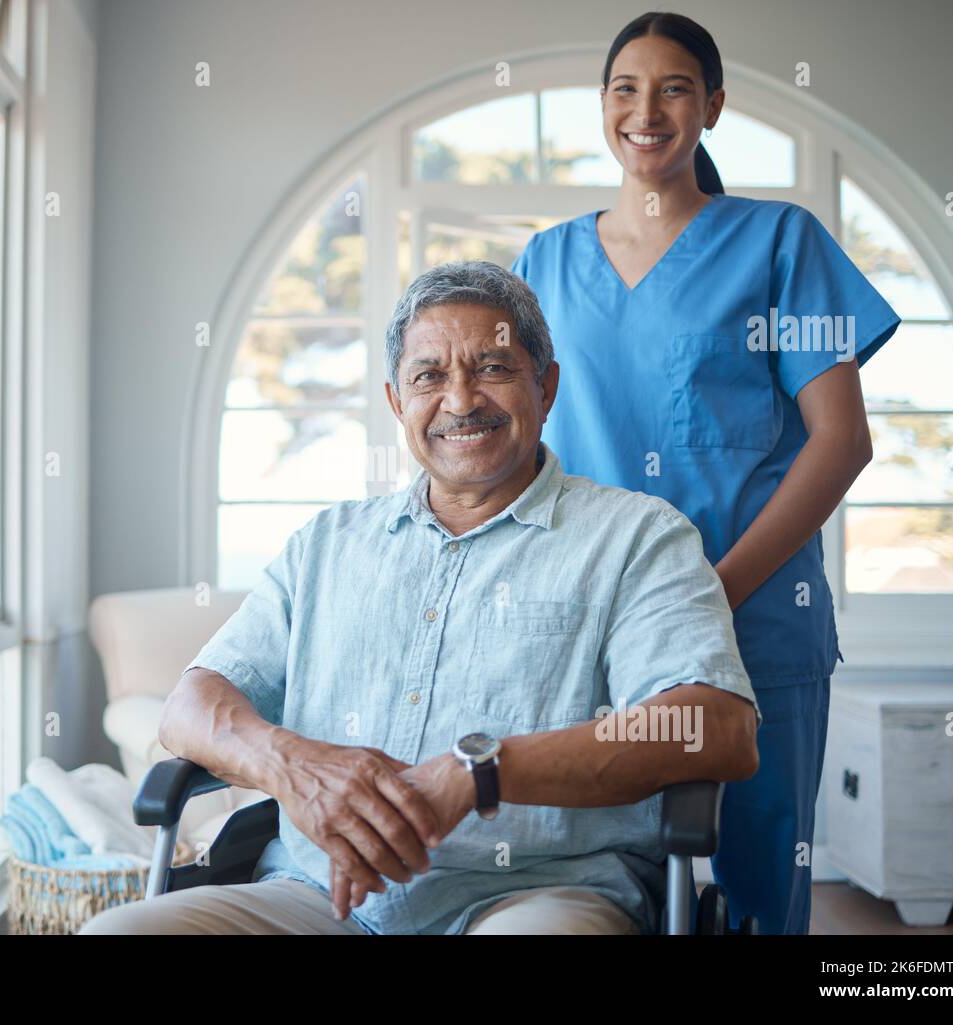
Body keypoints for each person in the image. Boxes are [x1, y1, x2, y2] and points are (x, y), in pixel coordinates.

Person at [80, 260, 761, 937]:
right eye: (429, 375)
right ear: (396, 400)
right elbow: (190, 706)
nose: (461, 400)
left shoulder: (636, 537)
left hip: (539, 893)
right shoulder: (324, 544)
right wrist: (291, 763)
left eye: (492, 367)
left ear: (546, 387)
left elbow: (715, 727)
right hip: (314, 895)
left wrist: (483, 770)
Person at [509, 11, 900, 934]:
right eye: (626, 88)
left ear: (713, 106)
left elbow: (839, 441)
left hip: (757, 621)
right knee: (598, 887)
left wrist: (706, 594)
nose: (648, 109)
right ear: (601, 107)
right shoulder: (544, 262)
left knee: (761, 895)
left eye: (676, 87)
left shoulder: (783, 244)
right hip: (595, 628)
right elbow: (518, 450)